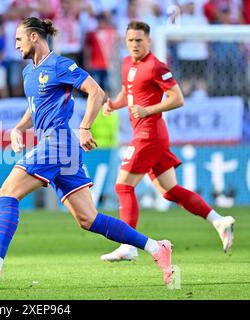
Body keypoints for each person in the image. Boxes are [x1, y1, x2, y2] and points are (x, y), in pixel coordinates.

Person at [0, 17, 174, 286]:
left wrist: (84, 127)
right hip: (57, 148)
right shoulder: (28, 73)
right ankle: (156, 247)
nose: (16, 45)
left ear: (34, 37)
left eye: (18, 39)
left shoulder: (59, 65)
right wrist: (18, 128)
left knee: (7, 192)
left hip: (58, 143)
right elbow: (34, 107)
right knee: (88, 219)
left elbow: (96, 91)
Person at [100, 21, 235, 262]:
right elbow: (127, 92)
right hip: (147, 134)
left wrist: (148, 109)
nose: (134, 44)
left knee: (123, 186)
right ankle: (219, 221)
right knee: (170, 191)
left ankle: (127, 245)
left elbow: (177, 98)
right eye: (130, 40)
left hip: (149, 134)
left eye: (139, 40)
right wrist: (113, 104)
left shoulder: (156, 66)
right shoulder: (126, 63)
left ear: (148, 41)